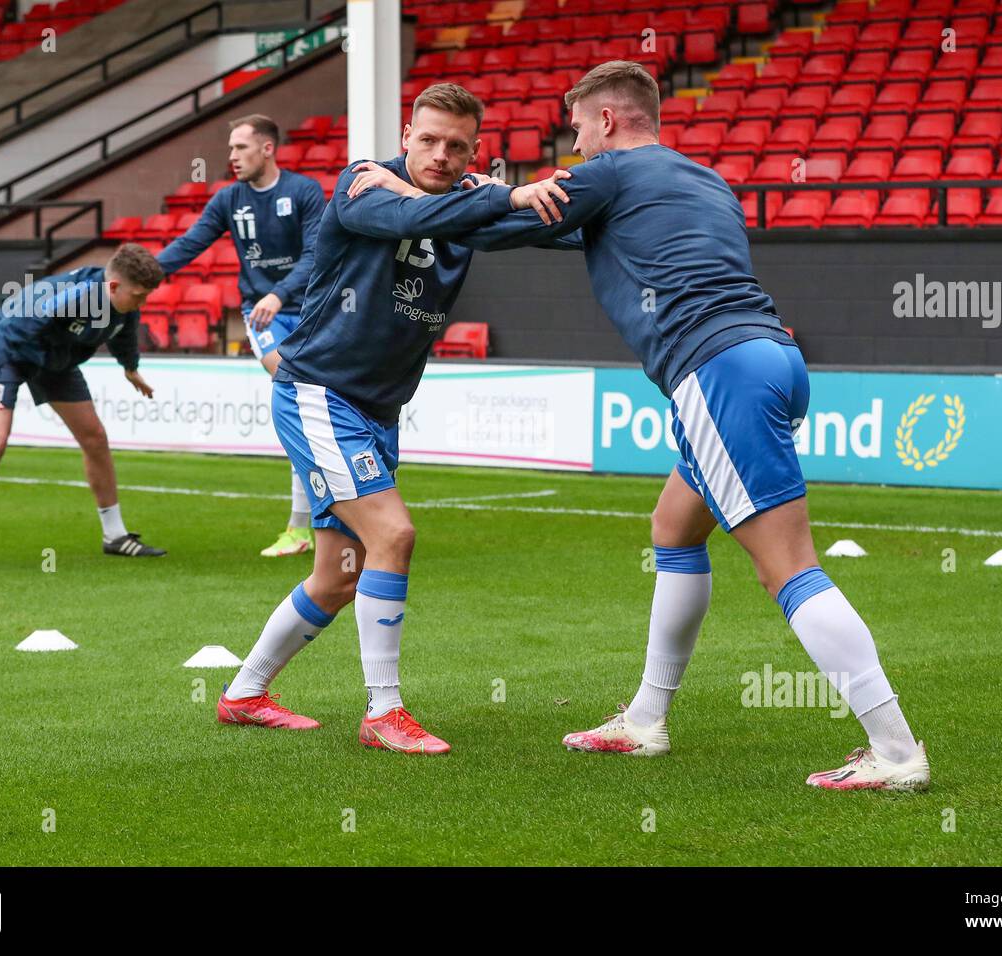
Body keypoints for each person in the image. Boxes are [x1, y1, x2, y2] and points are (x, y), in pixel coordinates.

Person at [383, 61, 930, 790]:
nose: (574, 142)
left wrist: (414, 186)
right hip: (773, 360)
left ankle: (895, 750)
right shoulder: (703, 179)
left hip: (718, 372)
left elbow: (505, 224)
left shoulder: (606, 174)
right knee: (674, 527)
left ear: (606, 120)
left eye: (577, 127)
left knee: (789, 567)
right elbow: (572, 233)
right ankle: (645, 718)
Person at [215, 83, 567, 754]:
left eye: (455, 146)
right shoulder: (361, 184)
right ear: (406, 136)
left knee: (339, 574)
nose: (438, 153)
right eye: (427, 139)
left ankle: (243, 694)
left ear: (474, 150)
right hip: (319, 392)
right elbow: (408, 221)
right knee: (395, 535)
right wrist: (501, 192)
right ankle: (383, 713)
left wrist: (606, 195)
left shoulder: (465, 205)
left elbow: (537, 223)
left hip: (377, 409)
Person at [157, 114, 327, 558]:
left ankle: (320, 520)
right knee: (295, 395)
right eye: (230, 149)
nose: (231, 157)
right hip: (263, 316)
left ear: (267, 148)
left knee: (311, 410)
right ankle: (302, 527)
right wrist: (144, 273)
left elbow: (317, 254)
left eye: (240, 148)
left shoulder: (303, 192)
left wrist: (281, 292)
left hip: (309, 308)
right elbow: (191, 243)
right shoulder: (229, 199)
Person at [0, 244, 169, 571]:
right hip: (11, 352)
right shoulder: (70, 298)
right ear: (114, 287)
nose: (142, 303)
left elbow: (123, 329)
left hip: (56, 362)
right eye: (138, 296)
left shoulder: (123, 303)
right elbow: (8, 333)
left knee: (94, 437)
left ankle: (115, 536)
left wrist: (130, 367)